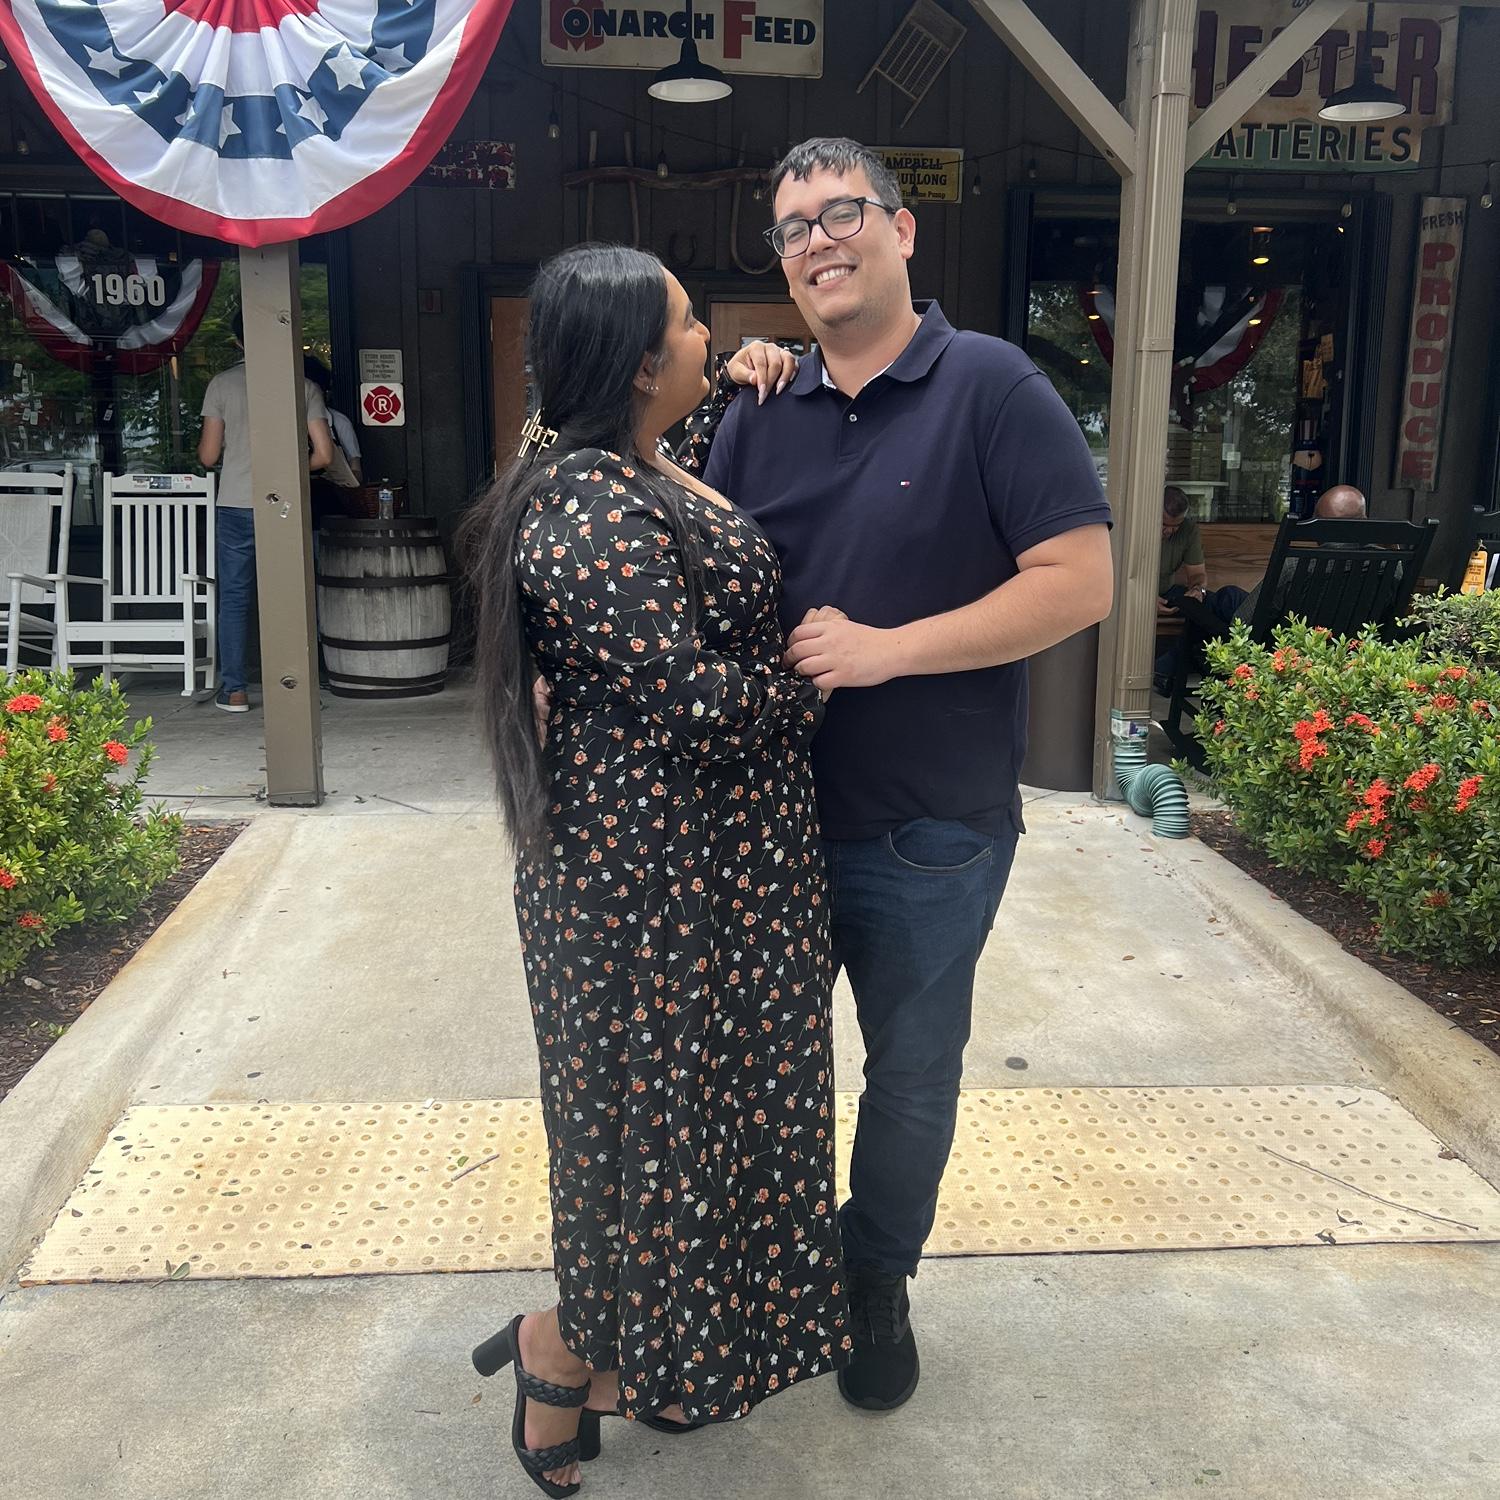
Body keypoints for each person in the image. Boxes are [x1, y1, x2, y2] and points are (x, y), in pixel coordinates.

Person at [685, 137, 1114, 1414]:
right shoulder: (759, 409)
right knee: (750, 1072)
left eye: (843, 214)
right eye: (794, 227)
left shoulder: (993, 386)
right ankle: (756, 1283)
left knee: (911, 1075)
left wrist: (887, 651)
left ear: (902, 229)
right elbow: (691, 562)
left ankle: (872, 1276)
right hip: (763, 821)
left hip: (930, 827)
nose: (819, 241)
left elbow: (1079, 583)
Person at [464, 244, 849, 1497]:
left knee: (699, 1126)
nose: (710, 338)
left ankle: (637, 1355)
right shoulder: (586, 506)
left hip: (707, 874)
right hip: (645, 886)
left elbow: (697, 524)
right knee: (641, 1132)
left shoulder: (640, 460)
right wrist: (819, 676)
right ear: (637, 363)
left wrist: (751, 372)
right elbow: (692, 699)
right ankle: (559, 1351)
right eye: (691, 325)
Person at [198, 313, 334, 711]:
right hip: (285, 506)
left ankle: (235, 690)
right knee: (292, 596)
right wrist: (288, 469)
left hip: (236, 504)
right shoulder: (304, 387)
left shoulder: (222, 384)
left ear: (239, 342)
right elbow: (324, 455)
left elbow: (208, 456)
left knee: (235, 598)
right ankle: (298, 689)